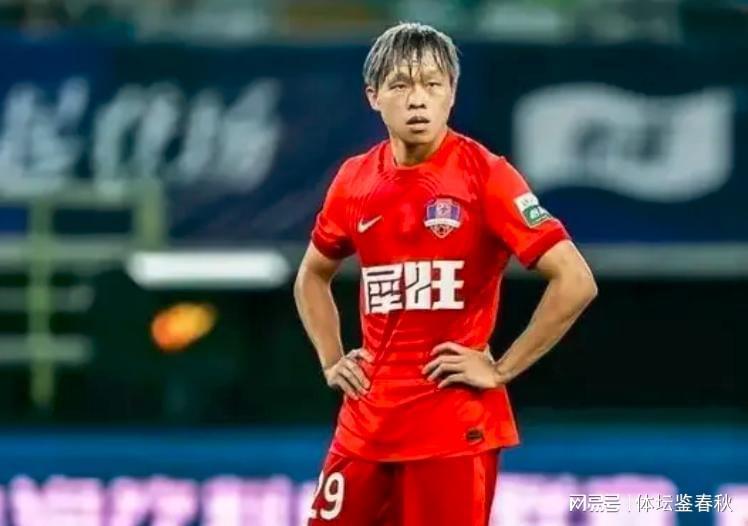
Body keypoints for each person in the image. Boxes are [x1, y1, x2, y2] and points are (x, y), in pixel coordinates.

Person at [294, 22, 597, 526]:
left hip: (451, 431)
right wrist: (331, 359)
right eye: (400, 85)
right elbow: (312, 274)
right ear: (373, 96)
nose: (418, 100)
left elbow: (575, 280)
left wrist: (501, 369)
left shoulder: (486, 175)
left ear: (452, 93)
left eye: (432, 84)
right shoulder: (354, 180)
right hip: (364, 425)